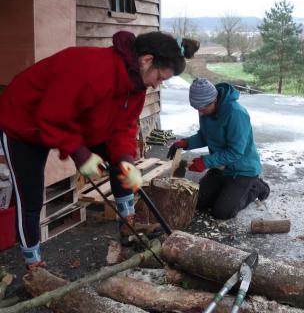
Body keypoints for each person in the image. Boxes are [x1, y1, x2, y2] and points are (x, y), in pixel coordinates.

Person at [0, 30, 199, 269]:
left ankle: (128, 226)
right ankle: (34, 264)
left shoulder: (136, 84)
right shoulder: (90, 69)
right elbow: (51, 117)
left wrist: (126, 160)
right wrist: (81, 154)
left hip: (73, 119)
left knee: (121, 163)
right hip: (24, 123)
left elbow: (124, 127)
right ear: (146, 60)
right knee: (30, 199)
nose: (158, 84)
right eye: (160, 77)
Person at [167, 78, 270, 220]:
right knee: (198, 202)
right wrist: (185, 143)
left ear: (214, 100)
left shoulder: (236, 114)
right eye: (197, 109)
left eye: (202, 108)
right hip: (221, 168)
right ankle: (228, 190)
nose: (200, 112)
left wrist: (205, 162)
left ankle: (256, 187)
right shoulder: (204, 110)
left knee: (222, 212)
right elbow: (205, 135)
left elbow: (235, 152)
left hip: (242, 170)